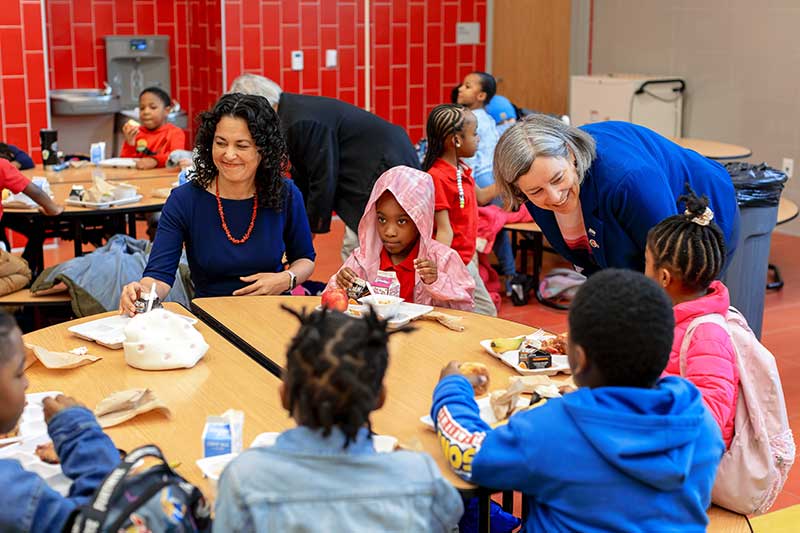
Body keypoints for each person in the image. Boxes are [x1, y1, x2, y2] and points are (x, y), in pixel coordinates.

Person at [431, 268, 725, 532]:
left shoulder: (550, 430)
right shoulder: (701, 424)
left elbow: (470, 454)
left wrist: (452, 388)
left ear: (579, 359)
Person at [214, 306, 464, 532]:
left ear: (284, 395)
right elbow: (447, 519)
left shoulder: (244, 479)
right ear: (381, 398)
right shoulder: (420, 476)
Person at [119, 93, 315, 313]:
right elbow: (159, 274)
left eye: (242, 146)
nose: (229, 155)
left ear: (264, 150)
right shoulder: (185, 199)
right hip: (212, 318)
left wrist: (286, 279)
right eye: (220, 143)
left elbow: (305, 259)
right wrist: (142, 291)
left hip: (272, 311)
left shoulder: (286, 193)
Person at [493, 115, 740, 276]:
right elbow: (593, 266)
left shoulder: (628, 180)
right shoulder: (534, 184)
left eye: (558, 179)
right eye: (536, 191)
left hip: (697, 217)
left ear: (571, 155)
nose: (555, 197)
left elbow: (670, 268)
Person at [228, 74, 420, 262]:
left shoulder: (300, 121)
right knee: (360, 245)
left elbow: (322, 178)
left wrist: (308, 230)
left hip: (382, 166)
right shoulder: (291, 112)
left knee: (366, 244)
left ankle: (369, 291)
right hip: (373, 164)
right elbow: (304, 176)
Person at [0, 310, 120, 532]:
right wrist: (80, 432)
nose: (26, 383)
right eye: (18, 373)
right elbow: (103, 516)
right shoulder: (9, 494)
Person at [646, 189, 738, 448]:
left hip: (688, 467)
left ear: (664, 277)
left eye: (646, 263)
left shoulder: (708, 334)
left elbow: (710, 418)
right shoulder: (670, 318)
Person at [326, 165, 474, 310]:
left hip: (426, 335)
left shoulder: (442, 260)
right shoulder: (363, 259)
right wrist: (340, 284)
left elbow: (466, 308)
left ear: (420, 221)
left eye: (402, 221)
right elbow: (334, 300)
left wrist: (436, 282)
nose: (389, 232)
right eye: (382, 219)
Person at [423, 103, 497, 316]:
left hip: (466, 256)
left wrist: (511, 180)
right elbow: (444, 230)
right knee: (486, 312)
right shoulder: (438, 177)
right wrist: (437, 270)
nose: (478, 139)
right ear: (455, 140)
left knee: (464, 313)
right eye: (474, 134)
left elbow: (481, 196)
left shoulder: (460, 169)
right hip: (456, 262)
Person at [456, 72, 518, 294]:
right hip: (494, 176)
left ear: (481, 95)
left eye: (468, 86)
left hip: (480, 177)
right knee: (495, 224)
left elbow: (470, 158)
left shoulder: (469, 120)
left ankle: (507, 274)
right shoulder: (489, 118)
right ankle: (510, 275)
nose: (461, 89)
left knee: (490, 224)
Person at [120, 87, 186, 170]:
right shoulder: (136, 133)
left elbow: (177, 157)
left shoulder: (175, 133)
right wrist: (130, 143)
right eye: (142, 108)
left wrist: (155, 161)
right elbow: (125, 162)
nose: (146, 112)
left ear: (167, 111)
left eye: (153, 107)